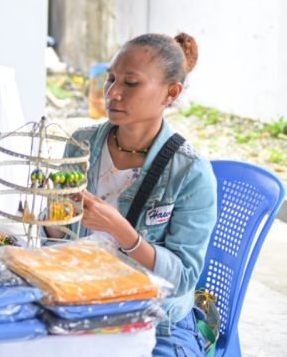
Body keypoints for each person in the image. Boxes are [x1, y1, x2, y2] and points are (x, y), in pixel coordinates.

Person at [52, 32, 217, 355]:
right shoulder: (81, 144)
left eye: (131, 83)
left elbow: (182, 277)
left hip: (156, 322)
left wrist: (120, 230)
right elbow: (61, 239)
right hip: (82, 302)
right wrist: (50, 216)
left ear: (171, 93)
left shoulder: (190, 173)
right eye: (110, 79)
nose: (113, 93)